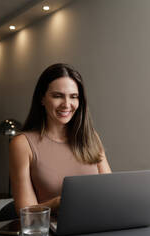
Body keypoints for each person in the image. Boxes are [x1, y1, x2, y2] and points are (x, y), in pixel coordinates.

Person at [9, 63, 111, 216]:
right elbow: (25, 211)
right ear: (42, 99)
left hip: (96, 224)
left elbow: (110, 191)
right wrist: (58, 203)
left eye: (74, 97)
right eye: (57, 96)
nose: (67, 104)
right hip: (52, 233)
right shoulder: (22, 144)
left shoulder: (90, 137)